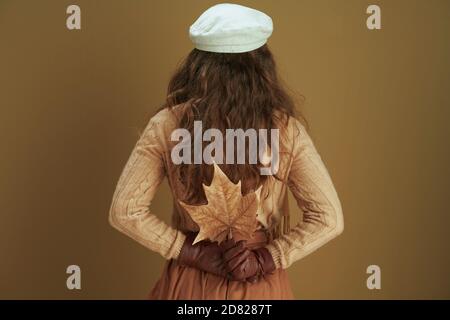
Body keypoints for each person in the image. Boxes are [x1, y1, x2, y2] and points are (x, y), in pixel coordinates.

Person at [109, 3, 344, 300]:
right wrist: (264, 259)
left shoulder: (167, 125)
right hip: (259, 286)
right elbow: (329, 218)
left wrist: (193, 254)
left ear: (197, 67)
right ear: (262, 68)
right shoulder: (286, 130)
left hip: (191, 284)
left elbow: (124, 211)